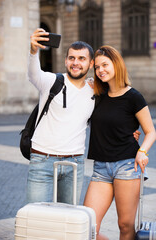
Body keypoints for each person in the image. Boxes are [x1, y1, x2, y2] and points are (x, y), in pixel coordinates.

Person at [27, 28, 140, 205]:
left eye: (81, 59)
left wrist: (131, 130)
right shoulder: (51, 82)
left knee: (67, 219)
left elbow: (115, 109)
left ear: (90, 63)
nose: (76, 63)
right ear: (66, 61)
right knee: (34, 214)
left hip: (75, 163)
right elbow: (33, 74)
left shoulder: (96, 90)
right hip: (43, 160)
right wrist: (34, 52)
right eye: (71, 58)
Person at [84, 45, 156, 240]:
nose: (101, 70)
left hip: (127, 165)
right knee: (87, 227)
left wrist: (142, 151)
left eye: (105, 65)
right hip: (100, 169)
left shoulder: (134, 97)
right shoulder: (97, 95)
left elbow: (150, 132)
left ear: (116, 64)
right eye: (97, 67)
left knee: (125, 226)